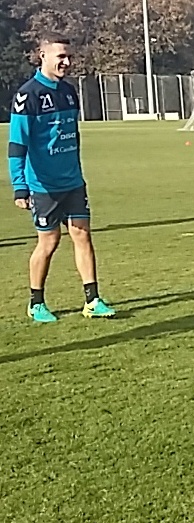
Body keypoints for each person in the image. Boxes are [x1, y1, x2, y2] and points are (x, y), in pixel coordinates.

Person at [8, 32, 114, 322]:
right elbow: (17, 144)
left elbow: (73, 137)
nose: (67, 62)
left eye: (69, 57)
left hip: (73, 183)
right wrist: (20, 187)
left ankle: (92, 300)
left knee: (82, 235)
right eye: (61, 57)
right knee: (49, 242)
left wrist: (76, 173)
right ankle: (36, 302)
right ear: (43, 56)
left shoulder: (68, 92)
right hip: (44, 186)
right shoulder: (27, 95)